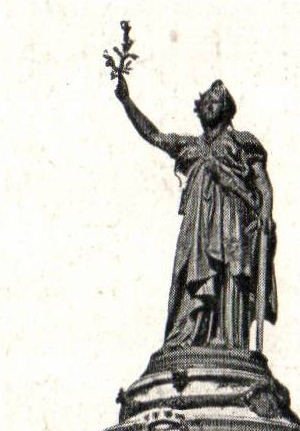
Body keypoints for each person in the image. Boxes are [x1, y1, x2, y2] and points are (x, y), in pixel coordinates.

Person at [115, 72, 276, 349]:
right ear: (200, 109)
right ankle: (193, 336)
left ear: (227, 109)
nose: (211, 105)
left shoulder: (243, 142)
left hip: (232, 218)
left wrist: (266, 213)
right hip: (198, 226)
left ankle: (230, 341)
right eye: (207, 102)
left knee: (231, 273)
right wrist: (126, 101)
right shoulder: (192, 147)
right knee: (194, 274)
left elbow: (262, 183)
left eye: (217, 102)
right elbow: (154, 135)